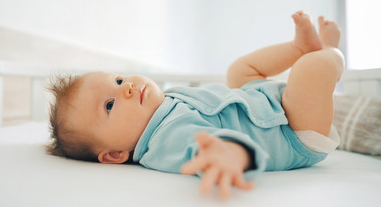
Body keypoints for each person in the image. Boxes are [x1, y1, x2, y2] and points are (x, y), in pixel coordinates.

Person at [47, 11, 344, 199]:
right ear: (114, 154)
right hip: (292, 131)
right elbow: (208, 146)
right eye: (110, 105)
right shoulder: (164, 140)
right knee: (310, 69)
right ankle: (329, 51)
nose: (128, 89)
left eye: (120, 80)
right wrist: (231, 155)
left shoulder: (162, 106)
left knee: (238, 72)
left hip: (265, 103)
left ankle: (299, 48)